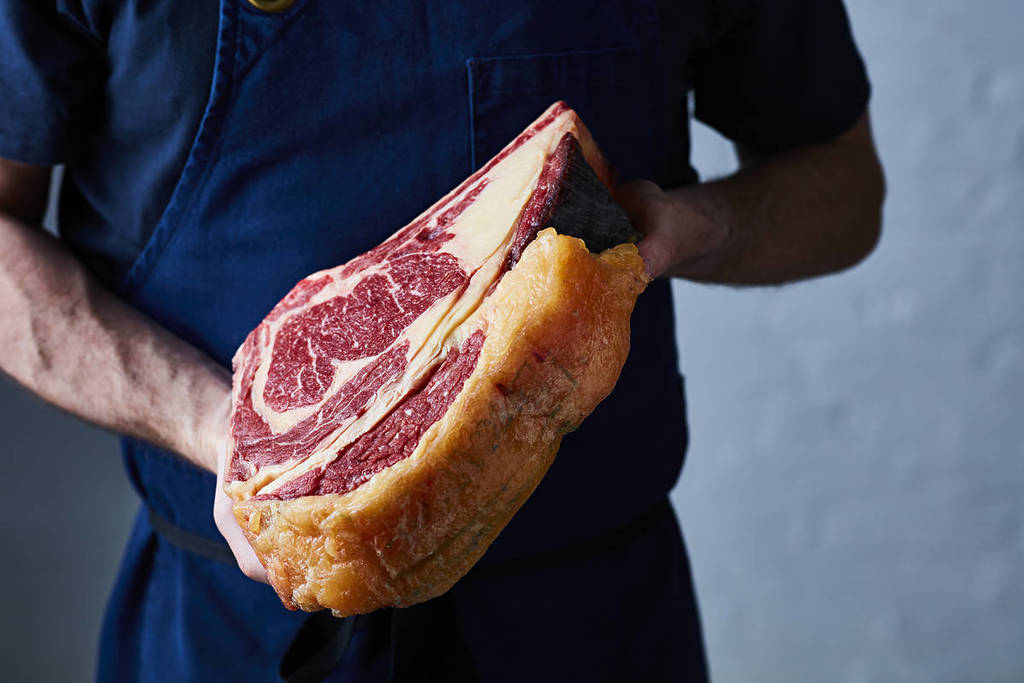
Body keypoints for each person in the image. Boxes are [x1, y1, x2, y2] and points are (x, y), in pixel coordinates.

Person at [0, 0, 884, 680]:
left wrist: (689, 226)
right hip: (233, 626)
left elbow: (846, 187)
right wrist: (227, 433)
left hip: (589, 618)